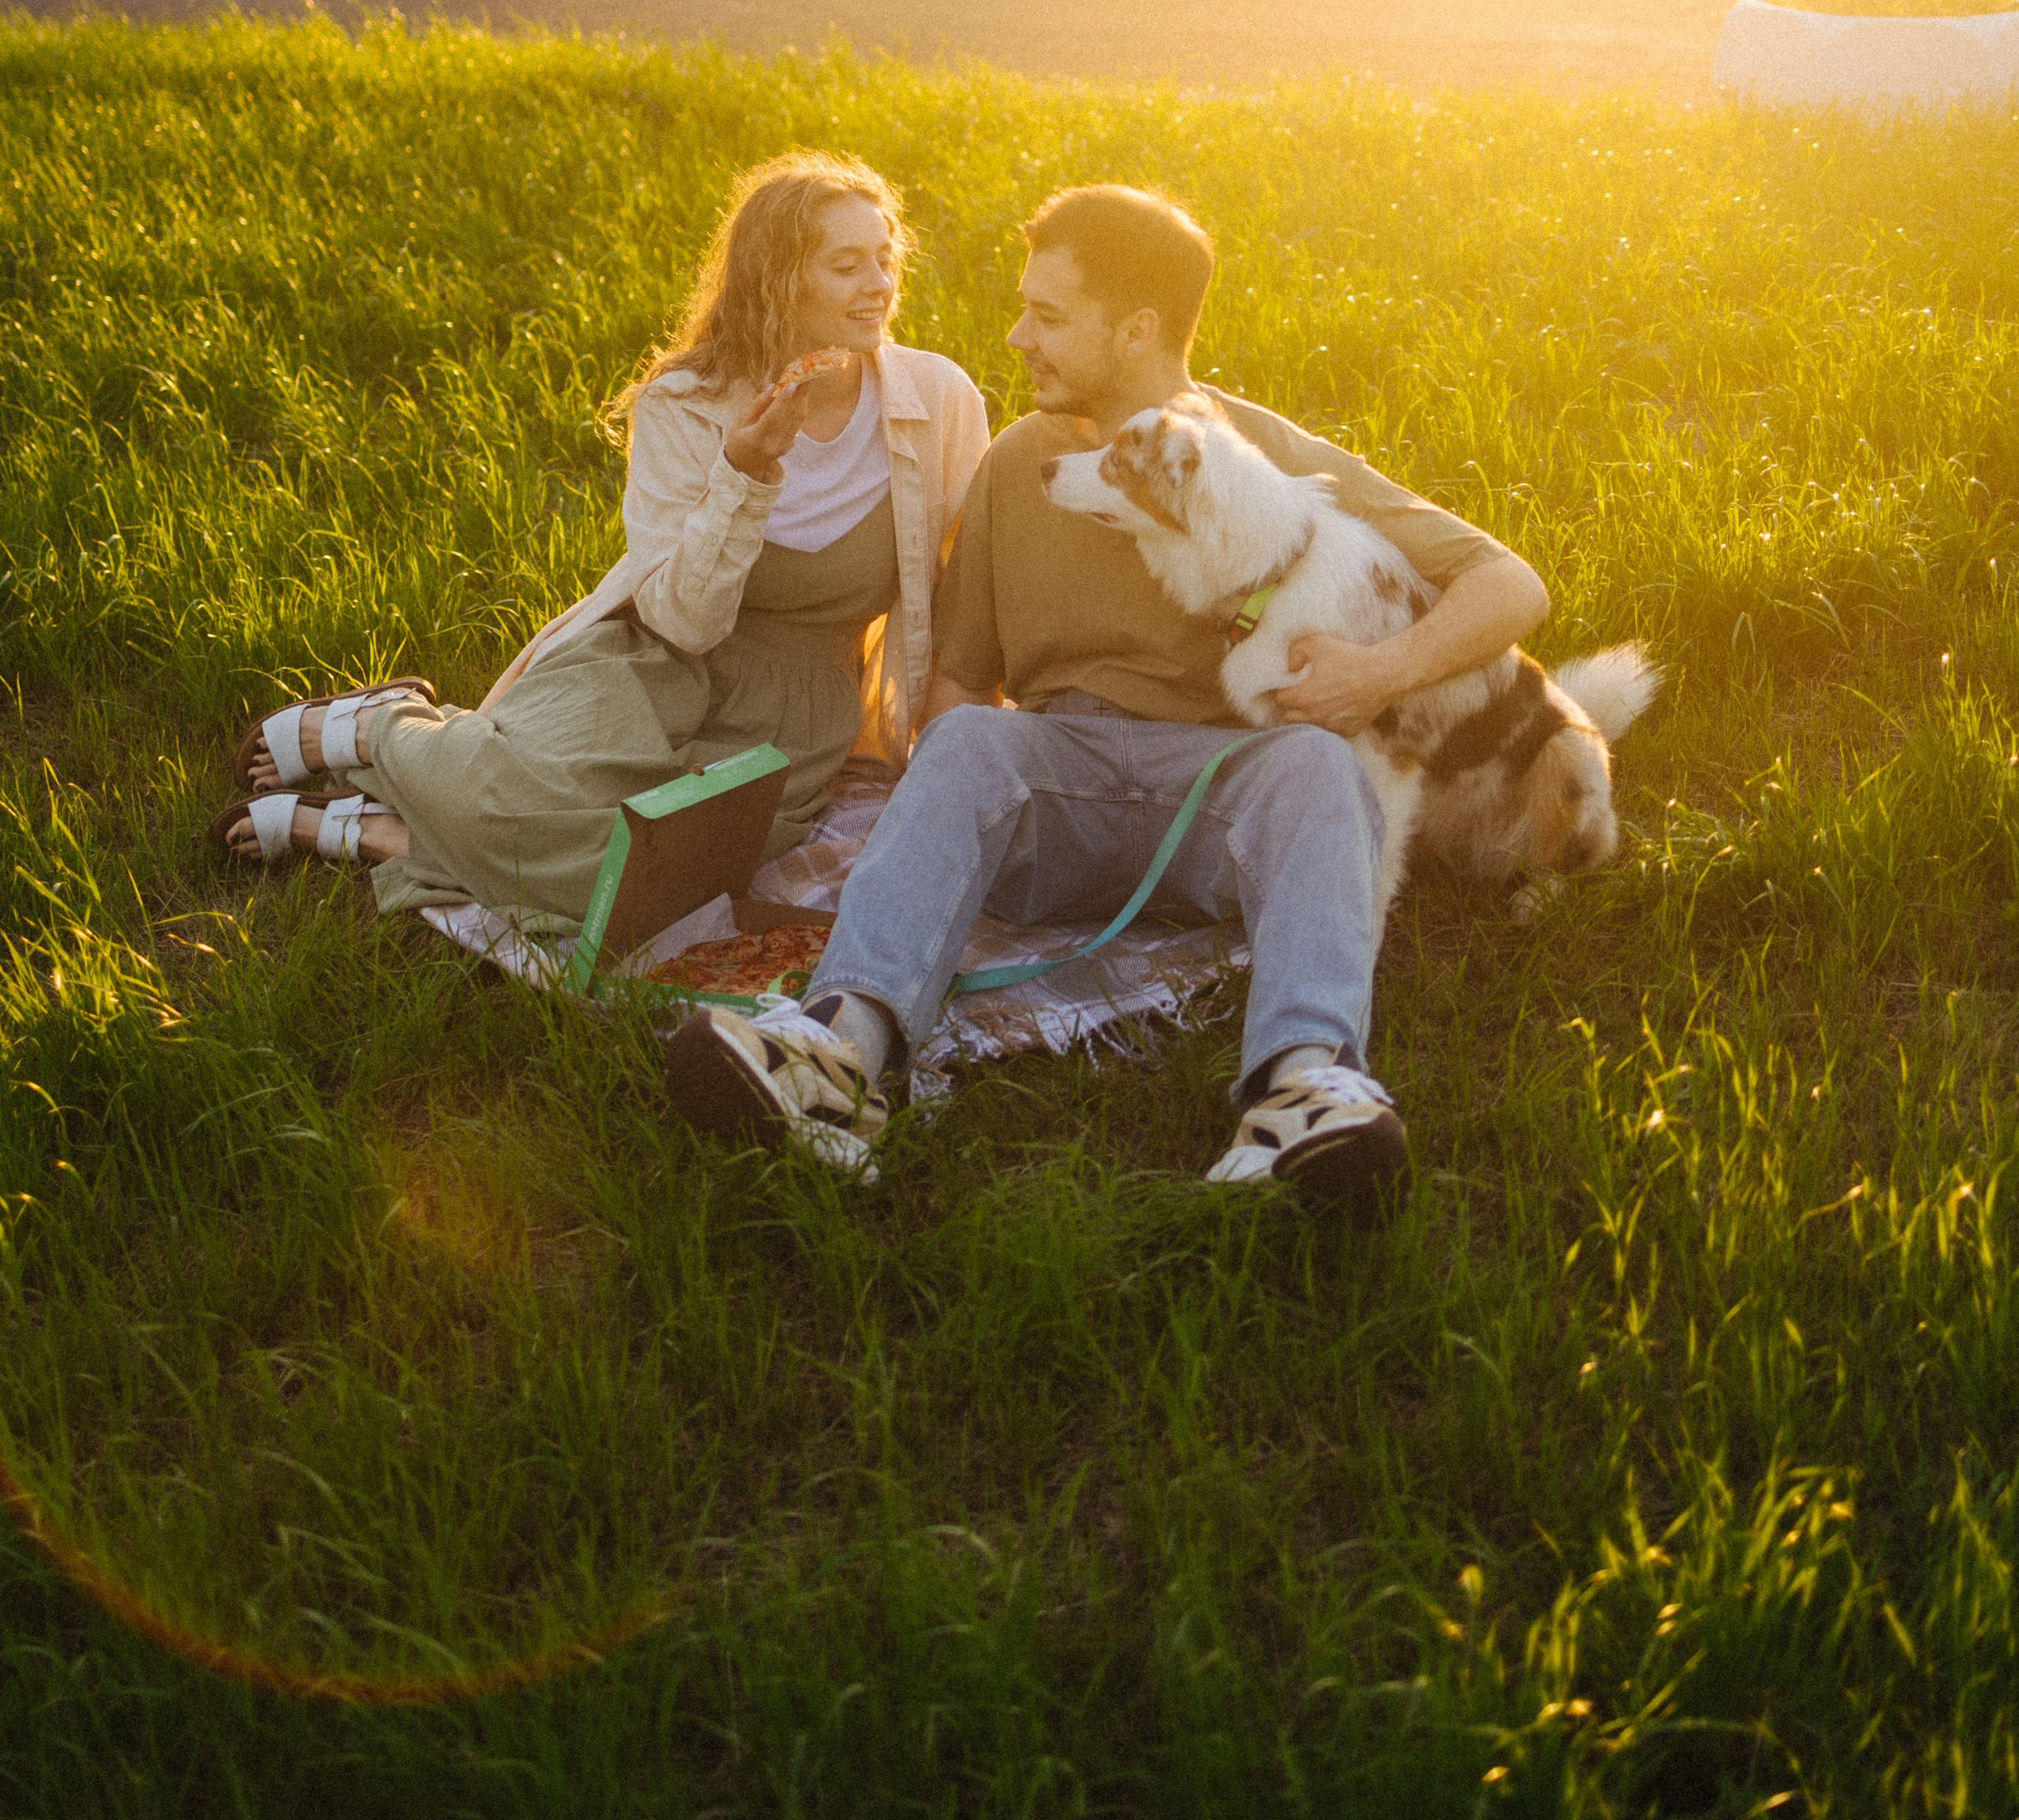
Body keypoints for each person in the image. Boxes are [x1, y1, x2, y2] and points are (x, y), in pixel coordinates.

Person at [659, 184, 1550, 1217]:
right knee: (966, 743)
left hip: (1221, 797)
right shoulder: (1015, 466)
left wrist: (1378, 674)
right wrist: (951, 824)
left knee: (1313, 766)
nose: (1016, 335)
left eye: (1047, 314)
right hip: (1061, 787)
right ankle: (841, 1055)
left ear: (1135, 332)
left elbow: (1512, 586)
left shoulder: (1258, 455)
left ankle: (1304, 1089)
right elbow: (959, 680)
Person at [215, 153, 989, 934]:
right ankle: (373, 729)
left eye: (886, 259)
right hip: (653, 663)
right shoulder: (684, 405)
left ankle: (375, 830)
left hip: (795, 709)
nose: (880, 285)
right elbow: (686, 622)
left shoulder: (937, 399)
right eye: (847, 265)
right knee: (519, 805)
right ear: (778, 280)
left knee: (646, 884)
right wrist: (745, 473)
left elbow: (964, 589)